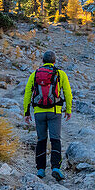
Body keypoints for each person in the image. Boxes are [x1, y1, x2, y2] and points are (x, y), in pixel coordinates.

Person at [23, 50, 73, 180]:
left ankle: (40, 170)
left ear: (43, 61)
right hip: (54, 111)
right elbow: (68, 93)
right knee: (55, 139)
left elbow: (27, 93)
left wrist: (26, 112)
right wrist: (68, 109)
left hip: (39, 112)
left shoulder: (35, 74)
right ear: (55, 61)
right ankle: (55, 167)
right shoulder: (60, 74)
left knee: (41, 140)